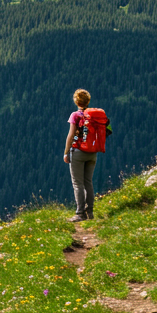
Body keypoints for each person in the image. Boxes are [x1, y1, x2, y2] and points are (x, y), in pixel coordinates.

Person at [64, 88, 97, 221]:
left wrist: (66, 152)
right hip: (92, 152)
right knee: (88, 182)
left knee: (78, 184)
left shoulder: (75, 115)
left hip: (78, 152)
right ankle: (90, 213)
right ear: (88, 101)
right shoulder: (94, 115)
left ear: (76, 102)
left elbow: (71, 135)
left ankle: (80, 214)